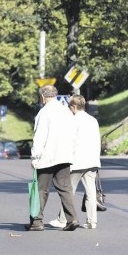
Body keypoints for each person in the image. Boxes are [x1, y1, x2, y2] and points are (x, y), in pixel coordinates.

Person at [28, 85, 80, 231]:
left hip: (47, 157)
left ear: (43, 97)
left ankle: (37, 222)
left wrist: (35, 157)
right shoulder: (66, 111)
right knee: (65, 189)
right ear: (55, 95)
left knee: (41, 190)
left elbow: (40, 136)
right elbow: (74, 134)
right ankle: (72, 219)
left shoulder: (44, 112)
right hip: (64, 156)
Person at [49, 94, 101, 229]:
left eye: (69, 107)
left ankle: (62, 219)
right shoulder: (93, 120)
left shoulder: (73, 121)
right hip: (92, 160)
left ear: (74, 106)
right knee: (91, 192)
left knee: (68, 191)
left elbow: (69, 141)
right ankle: (92, 221)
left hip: (77, 161)